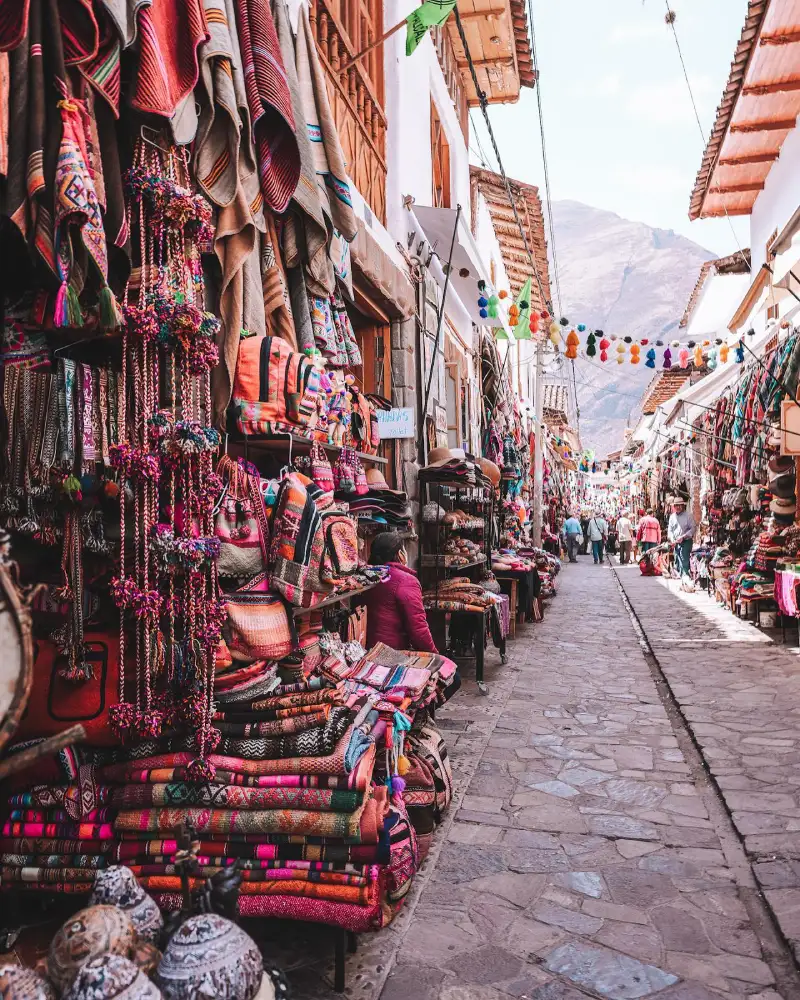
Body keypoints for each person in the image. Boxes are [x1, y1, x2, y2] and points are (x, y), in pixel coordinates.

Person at [362, 531, 438, 651]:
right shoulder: (406, 581)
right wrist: (434, 653)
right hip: (391, 651)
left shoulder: (363, 576)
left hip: (364, 647)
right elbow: (417, 627)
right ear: (400, 554)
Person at [667, 496, 695, 580]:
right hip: (676, 542)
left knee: (684, 560)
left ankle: (686, 577)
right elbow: (670, 530)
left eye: (680, 505)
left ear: (683, 506)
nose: (678, 507)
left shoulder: (688, 515)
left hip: (686, 541)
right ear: (674, 506)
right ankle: (683, 577)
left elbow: (693, 528)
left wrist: (684, 536)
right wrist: (672, 539)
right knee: (678, 559)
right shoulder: (672, 517)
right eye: (676, 505)